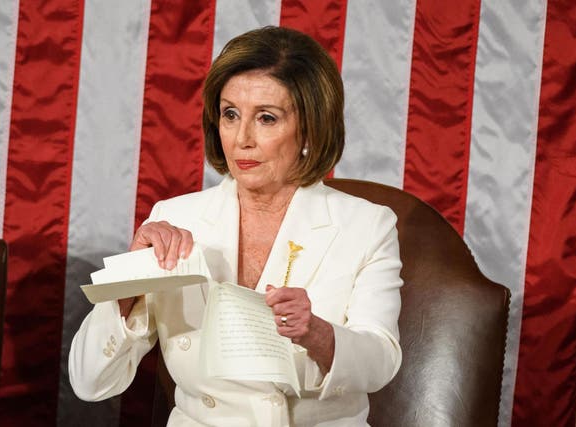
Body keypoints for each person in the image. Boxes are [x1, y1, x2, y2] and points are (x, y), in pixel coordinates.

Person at [69, 26, 403, 426]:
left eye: (266, 118)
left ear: (311, 128)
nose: (241, 138)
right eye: (230, 114)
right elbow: (90, 383)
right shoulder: (174, 219)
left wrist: (316, 333)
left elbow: (381, 361)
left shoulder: (367, 226)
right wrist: (127, 289)